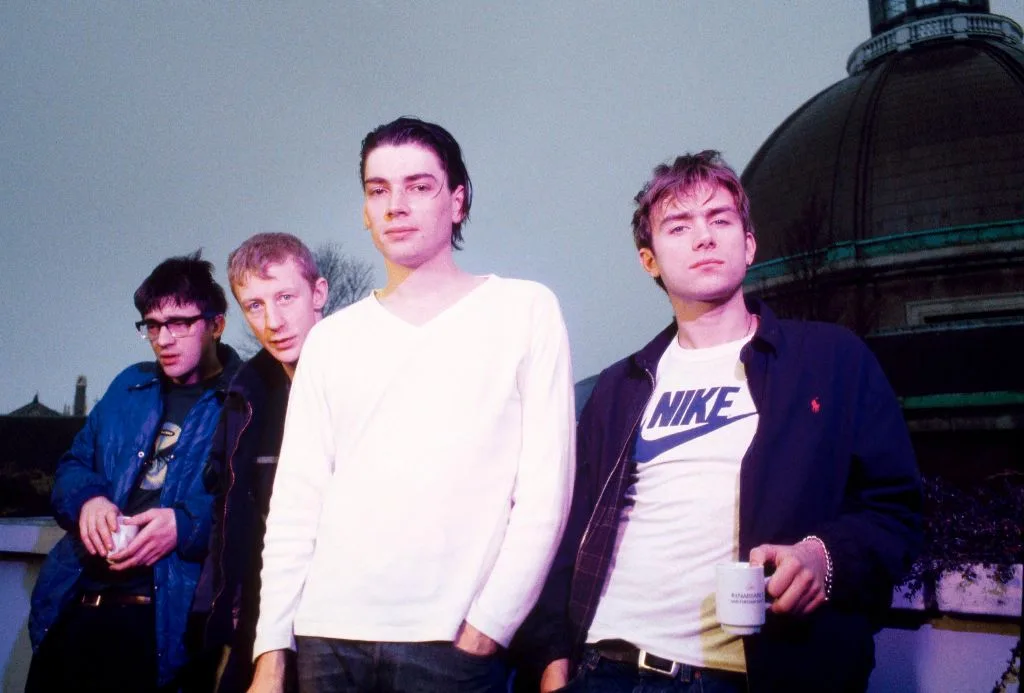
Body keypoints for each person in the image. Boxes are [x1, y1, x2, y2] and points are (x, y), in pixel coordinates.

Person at [515, 151, 923, 693]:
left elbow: (896, 510)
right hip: (606, 668)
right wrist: (552, 660)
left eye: (720, 220)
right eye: (679, 226)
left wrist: (823, 556)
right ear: (649, 260)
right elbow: (566, 532)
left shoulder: (831, 361)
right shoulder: (618, 387)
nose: (704, 237)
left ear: (749, 245)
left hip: (755, 677)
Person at [249, 116, 576, 693]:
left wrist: (490, 626)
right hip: (326, 638)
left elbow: (546, 492)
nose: (395, 205)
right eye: (379, 190)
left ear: (458, 201)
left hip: (450, 643)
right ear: (365, 209)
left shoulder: (523, 311)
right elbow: (297, 503)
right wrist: (272, 649)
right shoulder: (331, 339)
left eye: (418, 186)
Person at [27, 251, 240, 693]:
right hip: (74, 604)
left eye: (179, 323)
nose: (164, 339)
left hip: (164, 622)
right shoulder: (130, 385)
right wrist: (88, 500)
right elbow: (72, 465)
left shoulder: (244, 398)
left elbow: (257, 501)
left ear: (216, 324)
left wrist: (184, 525)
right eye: (153, 325)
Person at [196, 232, 329, 693]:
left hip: (343, 629)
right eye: (254, 305)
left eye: (285, 298)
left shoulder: (365, 378)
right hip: (257, 627)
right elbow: (228, 522)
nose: (273, 321)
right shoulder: (244, 395)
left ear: (319, 293)